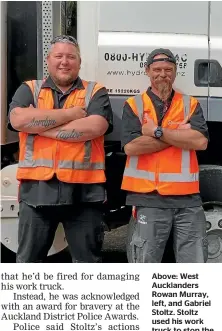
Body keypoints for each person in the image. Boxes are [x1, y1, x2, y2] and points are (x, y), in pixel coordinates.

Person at [8, 35, 113, 263]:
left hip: (84, 195)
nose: (64, 61)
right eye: (59, 56)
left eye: (71, 57)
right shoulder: (29, 89)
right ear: (49, 60)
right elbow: (18, 120)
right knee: (28, 266)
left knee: (88, 269)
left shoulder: (95, 92)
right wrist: (68, 115)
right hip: (37, 193)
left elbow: (95, 127)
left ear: (79, 61)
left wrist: (40, 126)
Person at [120, 48, 209, 263]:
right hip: (149, 198)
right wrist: (178, 135)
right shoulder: (134, 105)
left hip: (188, 200)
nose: (162, 74)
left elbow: (200, 142)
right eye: (157, 69)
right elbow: (131, 148)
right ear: (147, 71)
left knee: (194, 269)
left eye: (168, 69)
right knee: (145, 266)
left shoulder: (190, 104)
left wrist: (157, 131)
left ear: (175, 72)